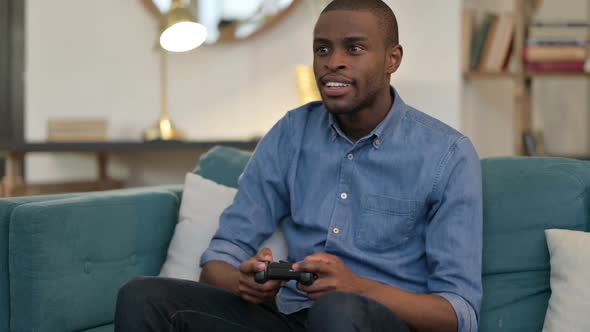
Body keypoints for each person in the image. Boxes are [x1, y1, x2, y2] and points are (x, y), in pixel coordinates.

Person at [114, 0, 482, 331]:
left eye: (353, 48)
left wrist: (356, 287)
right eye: (322, 49)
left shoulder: (447, 154)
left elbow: (458, 313)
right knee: (142, 296)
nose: (332, 61)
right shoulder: (291, 133)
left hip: (375, 322)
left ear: (392, 59)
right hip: (289, 316)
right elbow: (219, 261)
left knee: (338, 310)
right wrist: (245, 283)